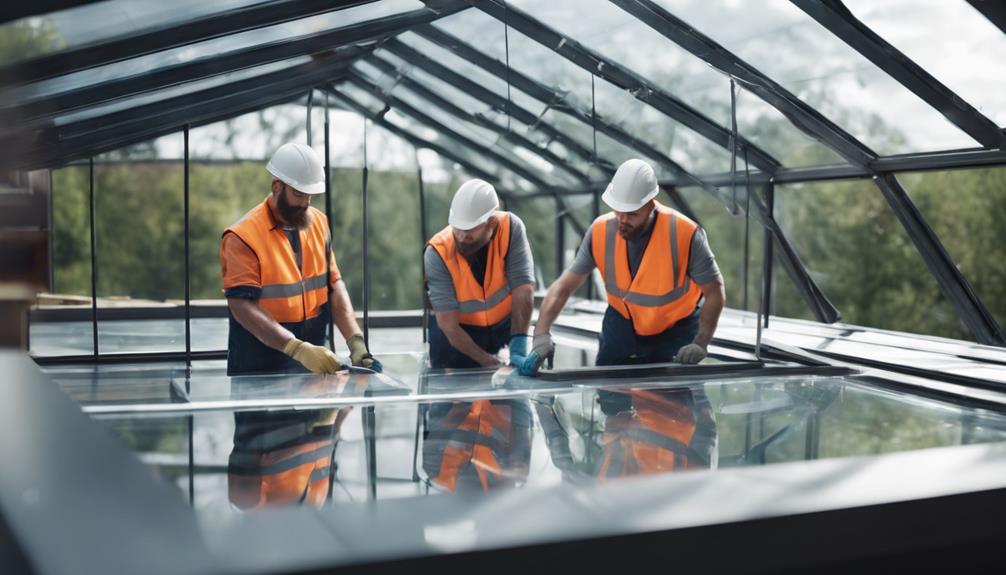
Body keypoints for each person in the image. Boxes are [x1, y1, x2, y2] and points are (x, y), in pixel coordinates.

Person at [521, 159, 725, 375]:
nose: (623, 219)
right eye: (619, 211)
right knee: (609, 397)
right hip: (621, 326)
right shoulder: (599, 231)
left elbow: (714, 292)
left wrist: (701, 342)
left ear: (650, 204)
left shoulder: (685, 233)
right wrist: (541, 334)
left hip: (676, 330)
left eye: (633, 214)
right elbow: (563, 287)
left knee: (673, 402)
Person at [220, 142, 381, 375]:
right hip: (260, 362)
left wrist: (356, 342)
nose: (305, 203)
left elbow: (334, 286)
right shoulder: (242, 237)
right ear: (277, 186)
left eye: (310, 195)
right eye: (298, 194)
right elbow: (241, 305)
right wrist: (295, 348)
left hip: (315, 359)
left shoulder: (319, 223)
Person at [424, 179, 535, 369]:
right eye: (458, 228)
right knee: (449, 385)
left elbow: (523, 290)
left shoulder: (510, 229)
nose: (462, 236)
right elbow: (448, 325)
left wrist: (519, 343)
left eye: (470, 230)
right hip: (459, 334)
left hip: (504, 326)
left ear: (491, 223)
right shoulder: (437, 253)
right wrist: (489, 362)